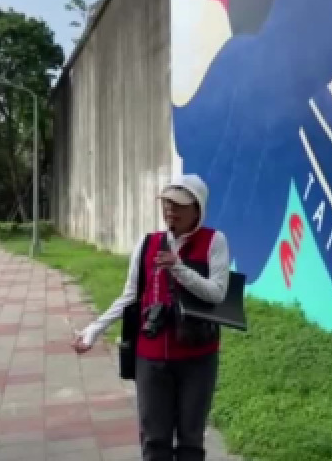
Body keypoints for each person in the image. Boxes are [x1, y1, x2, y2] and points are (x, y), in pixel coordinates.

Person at [72, 173, 230, 461]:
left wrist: (178, 268)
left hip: (198, 358)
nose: (171, 209)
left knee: (191, 440)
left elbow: (217, 293)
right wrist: (94, 329)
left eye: (179, 205)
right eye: (167, 203)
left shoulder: (214, 241)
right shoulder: (148, 243)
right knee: (154, 440)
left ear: (197, 209)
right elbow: (130, 296)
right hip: (151, 357)